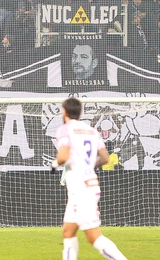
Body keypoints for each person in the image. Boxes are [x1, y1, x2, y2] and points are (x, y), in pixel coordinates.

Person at [51, 97, 128, 260]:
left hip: (81, 190)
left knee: (94, 236)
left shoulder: (65, 129)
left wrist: (54, 164)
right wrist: (89, 166)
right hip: (87, 185)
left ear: (64, 112)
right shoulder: (91, 131)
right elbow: (105, 158)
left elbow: (63, 156)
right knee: (68, 231)